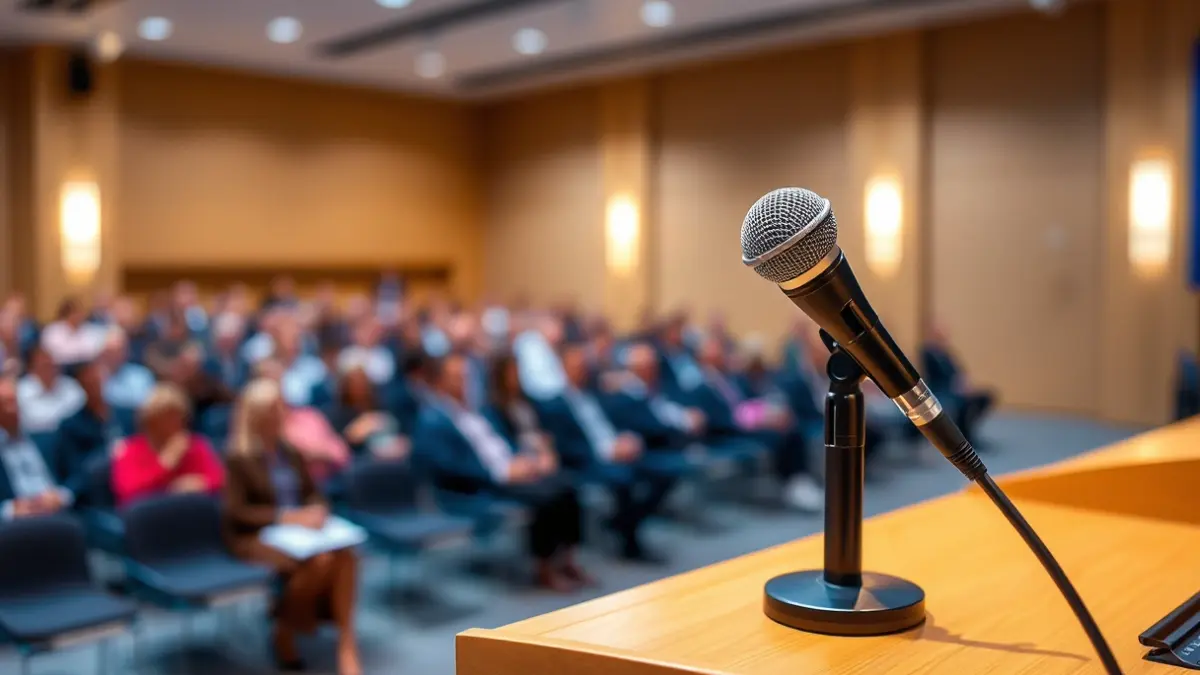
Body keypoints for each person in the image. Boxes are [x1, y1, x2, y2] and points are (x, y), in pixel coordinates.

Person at [414, 353, 587, 592]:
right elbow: (449, 466)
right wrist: (500, 472)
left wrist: (523, 461)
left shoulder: (477, 411)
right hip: (479, 484)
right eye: (456, 377)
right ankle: (544, 568)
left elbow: (502, 443)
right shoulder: (432, 419)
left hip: (508, 469)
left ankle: (567, 560)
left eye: (465, 376)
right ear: (440, 381)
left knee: (568, 484)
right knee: (547, 497)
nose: (463, 382)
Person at [222, 378, 361, 675]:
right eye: (275, 408)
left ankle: (346, 643)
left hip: (299, 531)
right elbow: (237, 512)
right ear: (258, 414)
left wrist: (317, 509)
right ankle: (285, 629)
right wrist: (285, 517)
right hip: (256, 536)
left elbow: (312, 492)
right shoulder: (238, 457)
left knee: (347, 556)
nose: (282, 413)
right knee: (320, 562)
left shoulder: (289, 450)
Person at [540, 343, 679, 562]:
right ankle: (629, 541)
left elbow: (613, 423)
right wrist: (607, 451)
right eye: (576, 366)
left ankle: (622, 522)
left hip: (615, 449)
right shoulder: (553, 405)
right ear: (563, 368)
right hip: (590, 461)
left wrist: (626, 439)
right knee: (624, 480)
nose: (581, 371)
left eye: (583, 366)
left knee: (665, 472)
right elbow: (565, 447)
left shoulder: (596, 394)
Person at [690, 336, 822, 511]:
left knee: (792, 427)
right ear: (704, 358)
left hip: (746, 423)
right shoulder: (700, 386)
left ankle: (798, 479)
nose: (724, 356)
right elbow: (716, 420)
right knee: (778, 436)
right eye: (718, 353)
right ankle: (791, 482)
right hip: (729, 432)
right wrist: (753, 423)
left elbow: (749, 402)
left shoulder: (731, 380)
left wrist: (768, 415)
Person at [111, 384, 224, 507]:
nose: (175, 424)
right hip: (152, 514)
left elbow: (219, 479)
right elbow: (129, 493)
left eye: (178, 417)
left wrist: (201, 484)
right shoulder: (130, 450)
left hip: (191, 510)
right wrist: (165, 464)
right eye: (166, 418)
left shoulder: (196, 444)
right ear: (150, 422)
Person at [0, 377, 74, 520]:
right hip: (16, 522)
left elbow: (77, 473)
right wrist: (10, 509)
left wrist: (62, 495)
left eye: (13, 401)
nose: (10, 409)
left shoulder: (45, 438)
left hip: (56, 512)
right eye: (3, 404)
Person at [55, 360, 124, 502]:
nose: (94, 382)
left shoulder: (126, 414)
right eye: (88, 379)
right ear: (80, 384)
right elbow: (77, 470)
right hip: (98, 492)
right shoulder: (71, 426)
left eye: (96, 376)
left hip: (132, 482)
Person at [922, 323, 996, 445]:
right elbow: (935, 375)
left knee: (984, 397)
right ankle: (962, 436)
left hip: (955, 389)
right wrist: (956, 387)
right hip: (940, 390)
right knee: (962, 403)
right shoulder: (928, 352)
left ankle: (967, 432)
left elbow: (958, 372)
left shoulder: (945, 353)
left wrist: (965, 385)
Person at [328, 366, 409, 461]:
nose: (360, 388)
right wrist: (355, 433)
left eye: (363, 383)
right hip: (357, 459)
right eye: (356, 384)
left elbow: (397, 429)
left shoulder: (381, 405)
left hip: (389, 455)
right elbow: (339, 444)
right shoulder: (338, 414)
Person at [17, 345, 85, 433]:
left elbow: (78, 417)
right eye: (43, 364)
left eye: (51, 363)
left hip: (69, 436)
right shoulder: (20, 391)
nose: (48, 367)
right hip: (34, 436)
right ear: (31, 368)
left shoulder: (72, 387)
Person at [99, 328, 155, 413]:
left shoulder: (142, 375)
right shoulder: (95, 378)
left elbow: (146, 405)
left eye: (119, 350)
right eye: (111, 351)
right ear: (102, 353)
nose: (115, 355)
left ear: (127, 351)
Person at [41, 296, 106, 368]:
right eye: (76, 312)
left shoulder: (90, 329)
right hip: (61, 368)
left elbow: (95, 351)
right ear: (67, 314)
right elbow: (57, 354)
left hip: (86, 367)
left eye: (81, 312)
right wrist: (80, 353)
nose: (80, 315)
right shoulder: (52, 331)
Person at [338, 317, 395, 386]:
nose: (367, 334)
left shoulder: (384, 354)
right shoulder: (346, 353)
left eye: (371, 331)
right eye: (363, 331)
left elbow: (385, 378)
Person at [205, 313, 249, 391]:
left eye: (231, 340)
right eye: (224, 340)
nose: (228, 345)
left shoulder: (244, 360)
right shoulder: (207, 362)